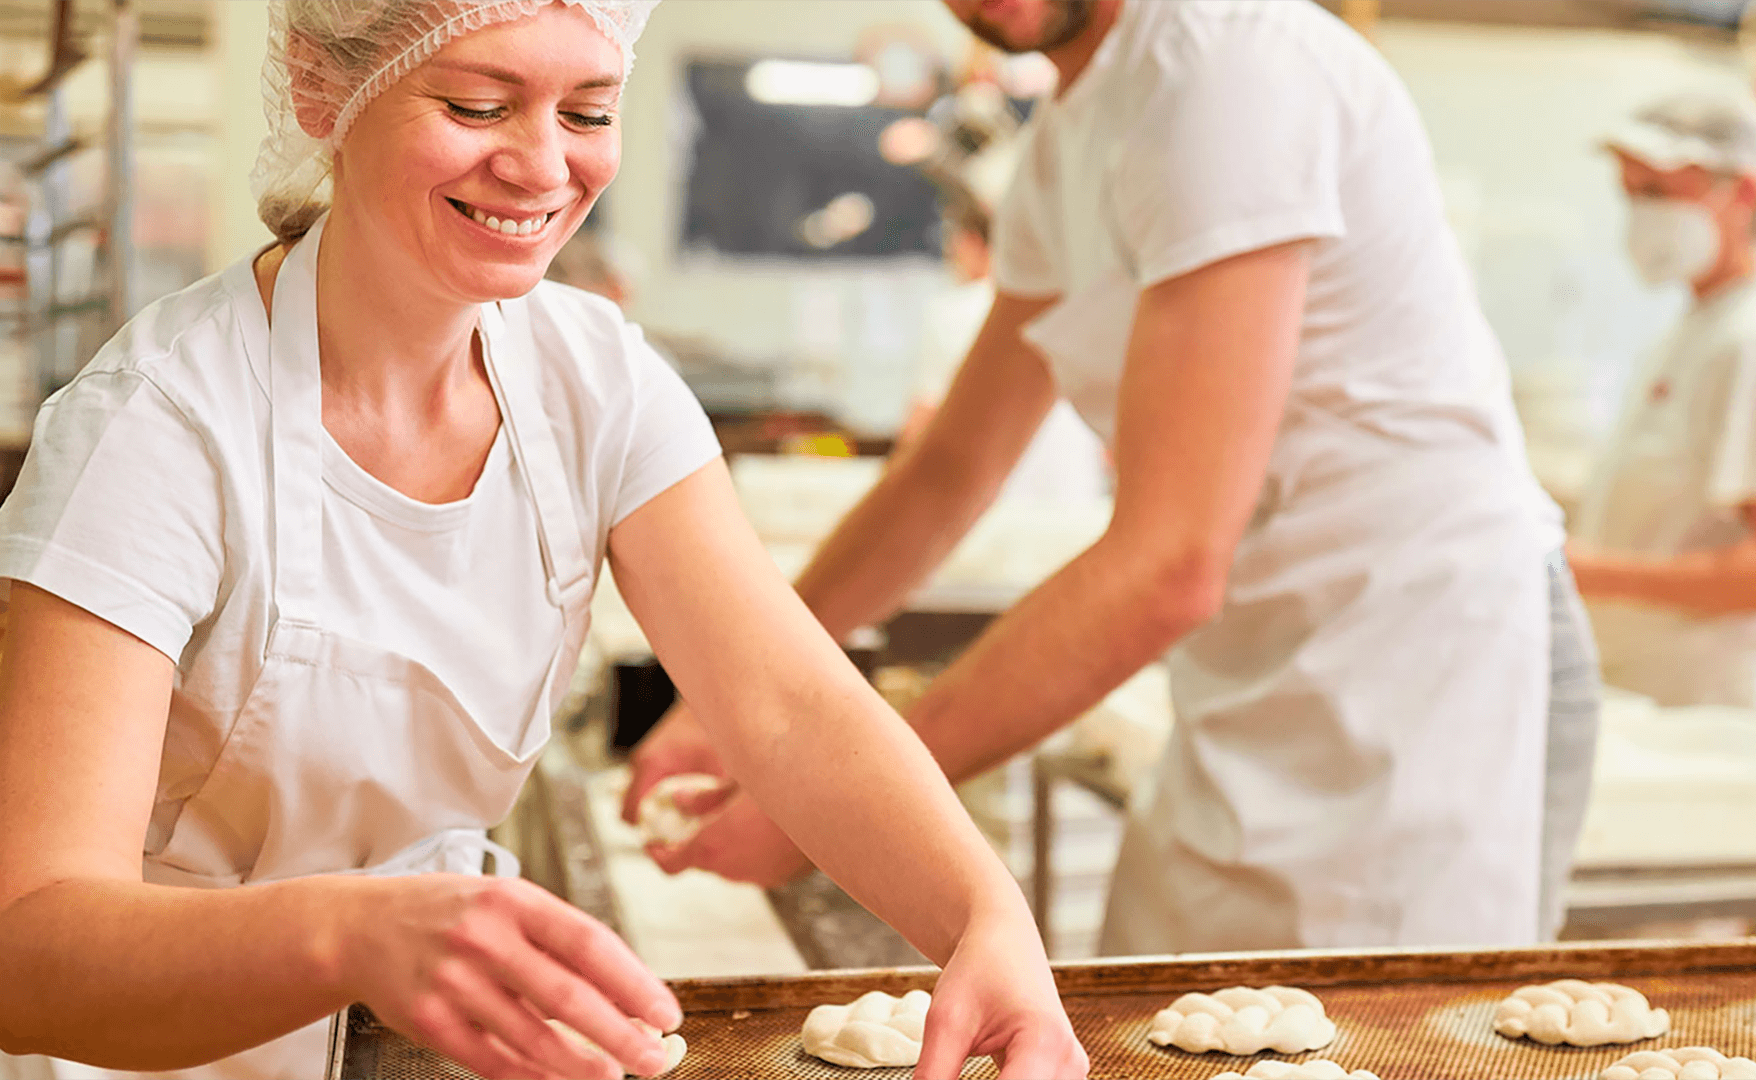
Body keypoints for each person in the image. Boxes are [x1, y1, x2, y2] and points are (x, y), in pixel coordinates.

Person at [0, 4, 1085, 1079]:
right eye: (478, 103)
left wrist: (986, 920)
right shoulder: (159, 429)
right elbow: (30, 948)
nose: (540, 165)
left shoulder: (593, 383)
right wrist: (354, 935)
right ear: (322, 92)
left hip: (418, 1047)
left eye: (589, 110)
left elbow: (789, 709)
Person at [631, 0, 1603, 955]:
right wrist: (729, 701)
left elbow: (1171, 564)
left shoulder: (1229, 63)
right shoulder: (1069, 139)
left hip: (1432, 667)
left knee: (1381, 1041)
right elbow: (948, 474)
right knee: (1182, 1024)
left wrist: (835, 800)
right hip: (1254, 671)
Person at [1570, 91, 1756, 722]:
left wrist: (1598, 574)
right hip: (1659, 699)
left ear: (1742, 195)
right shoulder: (1698, 329)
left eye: (1661, 193)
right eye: (1631, 193)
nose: (1641, 215)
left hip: (1721, 712)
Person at [901, 188, 1107, 503]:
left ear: (969, 244)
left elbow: (920, 429)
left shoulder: (954, 312)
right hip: (1078, 500)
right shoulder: (1084, 306)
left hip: (991, 508)